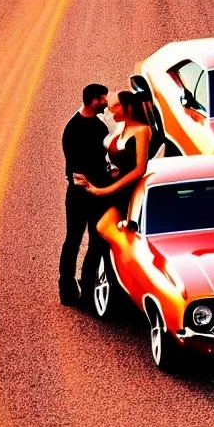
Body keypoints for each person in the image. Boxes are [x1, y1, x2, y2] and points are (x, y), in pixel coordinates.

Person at [75, 90, 152, 242]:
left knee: (104, 226)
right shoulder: (121, 127)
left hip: (126, 191)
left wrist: (105, 190)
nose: (110, 110)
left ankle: (129, 257)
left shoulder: (142, 130)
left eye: (115, 106)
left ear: (128, 107)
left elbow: (139, 169)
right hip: (111, 185)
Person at [59, 83, 110, 307]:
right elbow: (75, 167)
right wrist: (92, 183)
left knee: (91, 241)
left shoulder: (96, 126)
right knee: (76, 240)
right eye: (103, 98)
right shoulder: (76, 129)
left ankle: (84, 288)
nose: (106, 102)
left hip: (88, 192)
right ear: (92, 100)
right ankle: (69, 289)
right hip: (83, 193)